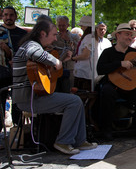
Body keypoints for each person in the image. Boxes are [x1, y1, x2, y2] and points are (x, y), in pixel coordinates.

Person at [11, 19, 97, 155]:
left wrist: (62, 59)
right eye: (54, 35)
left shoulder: (35, 45)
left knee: (76, 101)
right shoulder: (31, 45)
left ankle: (80, 140)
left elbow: (47, 70)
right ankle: (63, 141)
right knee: (73, 101)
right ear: (43, 34)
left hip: (35, 95)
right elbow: (35, 53)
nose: (55, 38)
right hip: (28, 98)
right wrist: (56, 61)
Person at [96, 23, 136, 141]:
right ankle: (106, 129)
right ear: (118, 35)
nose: (130, 37)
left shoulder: (134, 53)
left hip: (129, 87)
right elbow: (100, 69)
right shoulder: (108, 52)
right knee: (107, 91)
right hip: (113, 85)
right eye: (127, 34)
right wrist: (119, 64)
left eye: (131, 35)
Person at [53, 16, 80, 93]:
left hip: (70, 67)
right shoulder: (54, 37)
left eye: (63, 25)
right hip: (57, 67)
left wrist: (69, 40)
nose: (61, 28)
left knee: (69, 89)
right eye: (59, 25)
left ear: (68, 25)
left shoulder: (74, 37)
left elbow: (77, 51)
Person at [72, 16, 96, 91]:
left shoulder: (89, 37)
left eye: (82, 25)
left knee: (82, 94)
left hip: (85, 73)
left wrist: (73, 58)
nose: (81, 27)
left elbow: (86, 55)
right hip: (83, 72)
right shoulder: (89, 37)